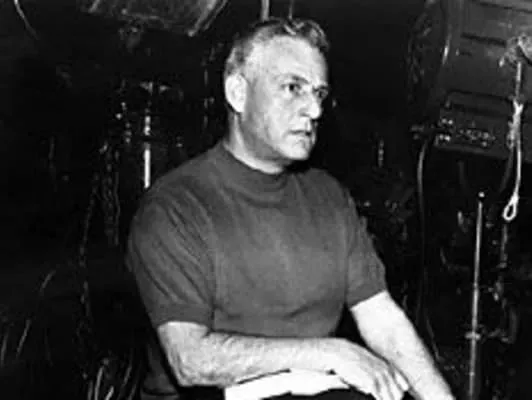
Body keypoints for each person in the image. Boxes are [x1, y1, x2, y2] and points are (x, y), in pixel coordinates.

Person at [126, 17, 455, 400]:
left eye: (319, 93)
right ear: (237, 93)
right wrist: (331, 353)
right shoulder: (175, 207)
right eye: (292, 88)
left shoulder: (329, 198)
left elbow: (384, 323)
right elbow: (191, 361)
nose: (314, 110)